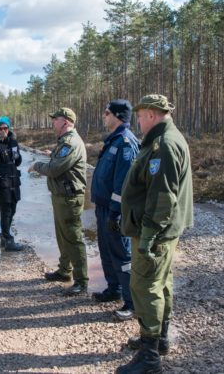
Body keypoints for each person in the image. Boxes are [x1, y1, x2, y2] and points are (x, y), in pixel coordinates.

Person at [116, 94, 193, 374]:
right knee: (162, 282)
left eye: (139, 115)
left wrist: (147, 237)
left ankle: (149, 358)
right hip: (162, 230)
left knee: (145, 285)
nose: (137, 120)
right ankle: (159, 339)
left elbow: (162, 198)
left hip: (156, 232)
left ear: (151, 114)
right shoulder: (165, 139)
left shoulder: (164, 145)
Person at [28, 107, 88, 296]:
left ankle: (81, 280)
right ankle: (64, 271)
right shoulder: (64, 142)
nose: (53, 122)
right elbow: (59, 162)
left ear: (66, 122)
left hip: (69, 198)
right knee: (63, 236)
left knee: (73, 238)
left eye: (56, 119)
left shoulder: (70, 142)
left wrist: (36, 165)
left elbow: (54, 169)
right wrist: (50, 155)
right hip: (62, 196)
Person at [91, 100, 140, 320]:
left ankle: (131, 302)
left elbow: (123, 184)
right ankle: (114, 289)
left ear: (118, 116)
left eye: (106, 112)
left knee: (122, 254)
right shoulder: (112, 140)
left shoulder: (126, 143)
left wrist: (115, 212)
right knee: (106, 250)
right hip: (103, 207)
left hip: (115, 211)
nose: (103, 115)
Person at [0, 116, 24, 252]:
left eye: (5, 128)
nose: (3, 130)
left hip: (14, 181)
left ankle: (4, 236)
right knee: (6, 211)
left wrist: (17, 154)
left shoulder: (13, 142)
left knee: (13, 209)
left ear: (9, 129)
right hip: (3, 183)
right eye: (0, 128)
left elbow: (18, 162)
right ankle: (7, 240)